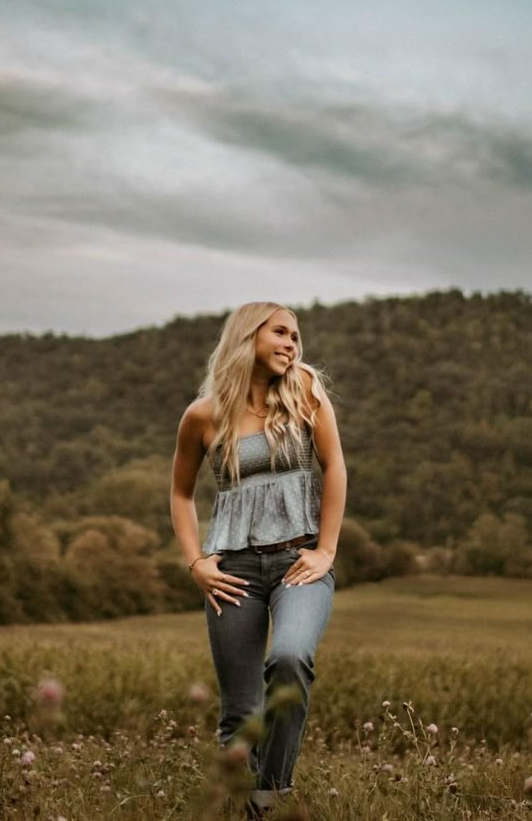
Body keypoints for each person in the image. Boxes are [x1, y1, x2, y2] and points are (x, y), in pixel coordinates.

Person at [170, 301, 347, 816]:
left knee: (290, 658)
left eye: (297, 336)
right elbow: (180, 495)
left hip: (300, 562)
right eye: (281, 333)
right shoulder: (203, 415)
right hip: (233, 572)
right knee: (240, 713)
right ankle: (242, 810)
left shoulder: (306, 390)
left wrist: (326, 548)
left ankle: (270, 795)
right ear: (249, 336)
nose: (293, 344)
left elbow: (335, 466)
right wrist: (196, 561)